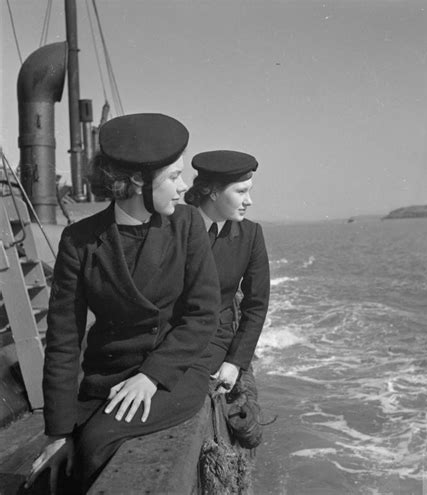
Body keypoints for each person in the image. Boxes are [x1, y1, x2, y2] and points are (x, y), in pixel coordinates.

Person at [25, 113, 220, 494]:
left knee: (98, 443)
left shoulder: (187, 225)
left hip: (172, 373)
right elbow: (64, 340)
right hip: (107, 377)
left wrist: (151, 376)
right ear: (136, 183)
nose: (182, 188)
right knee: (50, 474)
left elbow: (202, 315)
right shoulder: (79, 240)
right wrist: (58, 432)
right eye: (173, 177)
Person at [184, 150, 270, 397]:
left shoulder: (250, 235)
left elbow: (256, 305)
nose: (249, 201)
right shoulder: (174, 227)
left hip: (214, 341)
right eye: (241, 192)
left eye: (249, 191)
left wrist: (234, 363)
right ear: (212, 192)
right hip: (167, 340)